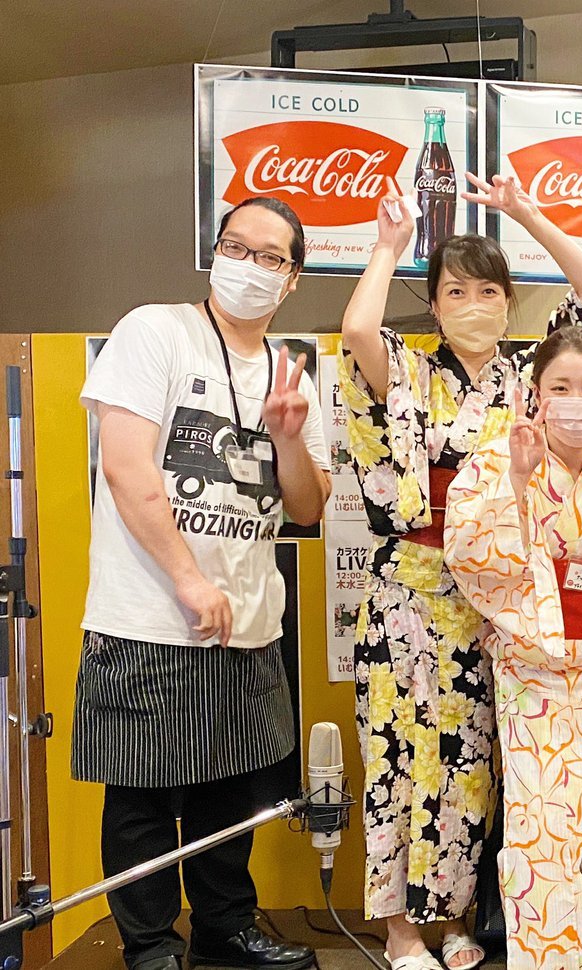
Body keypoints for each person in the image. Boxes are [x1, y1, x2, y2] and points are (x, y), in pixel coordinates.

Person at [339, 174, 582, 970]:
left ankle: (457, 917)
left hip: (499, 593)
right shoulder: (407, 373)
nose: (474, 303)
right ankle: (399, 928)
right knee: (398, 752)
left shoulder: (528, 377)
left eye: (489, 290)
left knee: (474, 757)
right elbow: (359, 326)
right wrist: (388, 246)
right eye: (455, 290)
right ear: (432, 305)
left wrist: (526, 213)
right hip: (410, 589)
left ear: (508, 301)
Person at [72, 196, 331, 970]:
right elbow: (125, 466)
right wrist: (186, 579)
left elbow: (308, 505)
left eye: (270, 257)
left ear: (290, 282)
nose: (249, 267)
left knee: (233, 788)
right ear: (214, 253)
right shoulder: (154, 330)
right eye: (236, 248)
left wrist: (288, 438)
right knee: (143, 791)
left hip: (249, 618)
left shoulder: (289, 374)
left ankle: (226, 925)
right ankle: (149, 942)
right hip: (148, 614)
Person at [444, 327, 582, 970]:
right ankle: (546, 959)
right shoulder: (496, 457)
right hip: (535, 666)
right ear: (534, 393)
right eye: (561, 388)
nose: (576, 400)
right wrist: (516, 483)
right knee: (538, 824)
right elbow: (470, 553)